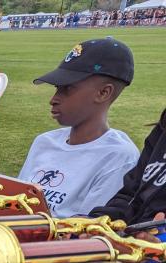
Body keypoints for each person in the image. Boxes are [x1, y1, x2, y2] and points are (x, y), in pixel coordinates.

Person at [17, 37, 138, 218]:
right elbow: (17, 201)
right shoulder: (44, 141)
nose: (54, 98)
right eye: (58, 87)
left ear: (103, 93)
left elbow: (86, 230)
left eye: (67, 89)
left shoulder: (118, 157)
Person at [92, 106, 166, 246]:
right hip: (132, 242)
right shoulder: (161, 131)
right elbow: (131, 195)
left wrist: (158, 247)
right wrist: (98, 222)